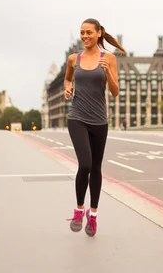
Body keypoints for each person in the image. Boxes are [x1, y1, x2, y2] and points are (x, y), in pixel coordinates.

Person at [64, 18, 126, 237]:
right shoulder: (74, 59)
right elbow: (68, 80)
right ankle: (79, 210)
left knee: (97, 168)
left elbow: (115, 91)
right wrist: (68, 89)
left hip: (100, 120)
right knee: (86, 163)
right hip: (77, 117)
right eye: (82, 33)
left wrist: (108, 71)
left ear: (99, 33)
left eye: (89, 32)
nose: (85, 36)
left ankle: (94, 216)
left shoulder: (108, 58)